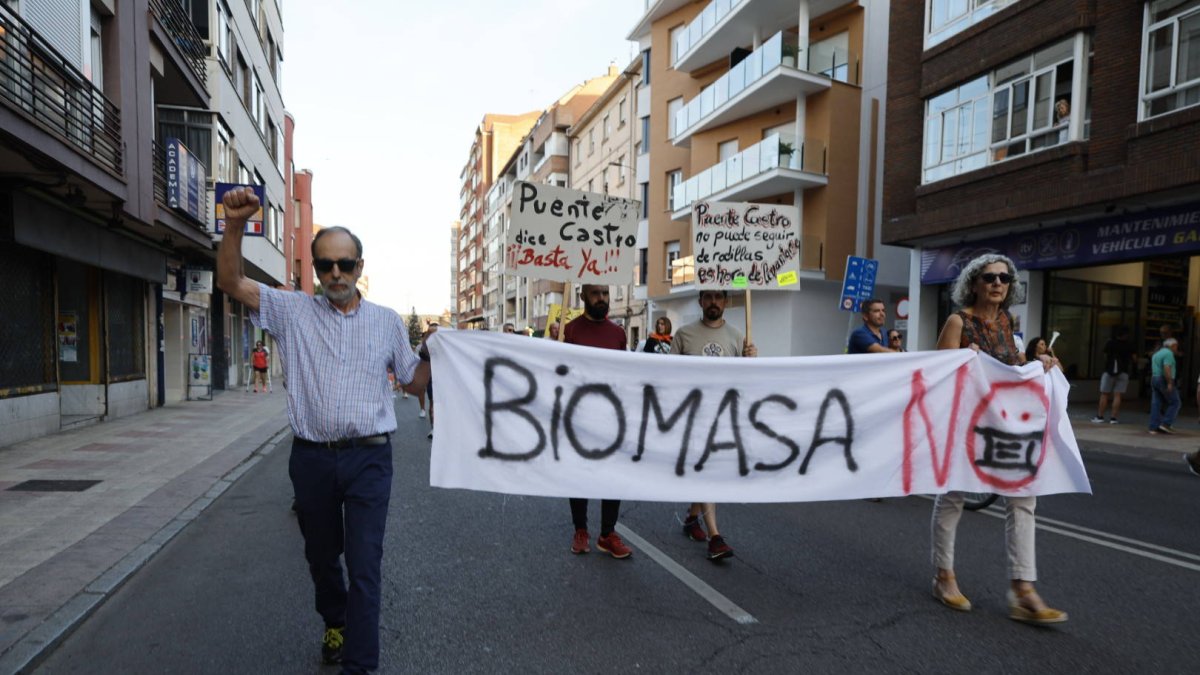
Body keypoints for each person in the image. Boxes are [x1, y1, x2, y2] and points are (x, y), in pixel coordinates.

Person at [216, 187, 430, 674]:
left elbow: (415, 383)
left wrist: (439, 355)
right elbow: (230, 280)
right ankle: (335, 620)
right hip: (312, 458)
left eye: (345, 264)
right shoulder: (292, 311)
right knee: (321, 556)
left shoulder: (387, 322)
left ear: (360, 267)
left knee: (365, 564)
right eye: (326, 265)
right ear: (314, 269)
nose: (336, 273)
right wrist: (234, 225)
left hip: (370, 458)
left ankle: (359, 665)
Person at [931, 253, 1066, 625]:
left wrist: (1040, 364)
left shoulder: (1008, 321)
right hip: (964, 423)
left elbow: (1014, 364)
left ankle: (1023, 589)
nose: (997, 283)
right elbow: (938, 372)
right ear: (973, 283)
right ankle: (944, 576)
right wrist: (963, 358)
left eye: (1004, 278)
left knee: (1023, 495)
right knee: (953, 494)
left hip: (1004, 424)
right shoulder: (958, 321)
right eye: (989, 277)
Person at [670, 290, 758, 561]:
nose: (713, 302)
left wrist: (752, 361)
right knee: (707, 472)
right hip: (693, 417)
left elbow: (745, 381)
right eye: (707, 297)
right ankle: (715, 537)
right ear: (700, 301)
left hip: (724, 417)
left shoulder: (738, 337)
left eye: (718, 297)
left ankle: (692, 518)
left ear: (726, 302)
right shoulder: (683, 335)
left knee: (708, 470)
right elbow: (667, 375)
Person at [564, 284, 633, 559]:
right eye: (595, 293)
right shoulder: (570, 331)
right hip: (579, 417)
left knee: (612, 474)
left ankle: (608, 533)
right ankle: (580, 530)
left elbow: (624, 373)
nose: (602, 298)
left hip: (610, 417)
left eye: (605, 293)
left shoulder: (618, 333)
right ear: (583, 296)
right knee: (578, 474)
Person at [1093, 327, 1134, 424]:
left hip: (1109, 371)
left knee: (1104, 394)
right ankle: (1113, 418)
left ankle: (1100, 416)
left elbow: (1104, 355)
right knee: (1118, 395)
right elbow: (1134, 358)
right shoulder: (1129, 345)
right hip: (1123, 371)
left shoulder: (1110, 343)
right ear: (1126, 335)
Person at [1148, 338, 1181, 435]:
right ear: (1173, 345)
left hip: (1154, 378)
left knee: (1156, 403)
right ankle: (1166, 423)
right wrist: (1170, 382)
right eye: (1176, 346)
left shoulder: (1157, 353)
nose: (1176, 348)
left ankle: (1153, 427)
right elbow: (1167, 368)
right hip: (1163, 379)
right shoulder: (1168, 353)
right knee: (1175, 402)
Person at [419, 322, 438, 439]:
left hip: (446, 378)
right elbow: (423, 352)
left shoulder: (446, 343)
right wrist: (428, 334)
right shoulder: (427, 344)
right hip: (432, 378)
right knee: (433, 403)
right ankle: (434, 428)